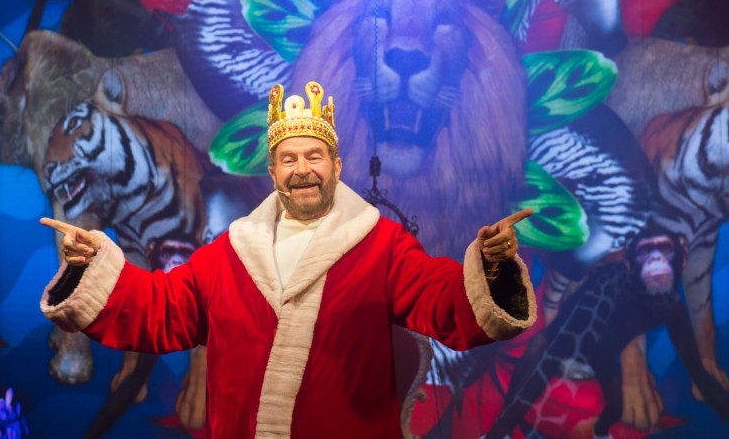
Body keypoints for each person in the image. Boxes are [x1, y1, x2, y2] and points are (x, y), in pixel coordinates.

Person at [39, 81, 537, 439]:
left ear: (336, 167)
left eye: (314, 157)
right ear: (273, 172)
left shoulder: (380, 246)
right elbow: (160, 308)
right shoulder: (230, 252)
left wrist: (491, 271)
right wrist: (92, 265)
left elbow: (440, 298)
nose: (303, 170)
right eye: (289, 159)